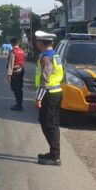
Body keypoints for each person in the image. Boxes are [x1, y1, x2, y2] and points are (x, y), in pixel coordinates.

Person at [34, 30, 64, 166]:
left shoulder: (46, 58)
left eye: (38, 42)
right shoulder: (55, 55)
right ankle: (53, 152)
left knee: (48, 124)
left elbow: (44, 80)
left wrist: (38, 98)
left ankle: (55, 156)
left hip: (49, 94)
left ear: (41, 43)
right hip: (56, 92)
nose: (37, 44)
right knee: (52, 124)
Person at [7, 37, 26, 111]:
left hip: (15, 73)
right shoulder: (22, 51)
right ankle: (19, 104)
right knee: (19, 89)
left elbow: (11, 64)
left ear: (12, 43)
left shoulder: (13, 52)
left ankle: (19, 105)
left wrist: (9, 74)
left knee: (15, 89)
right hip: (21, 71)